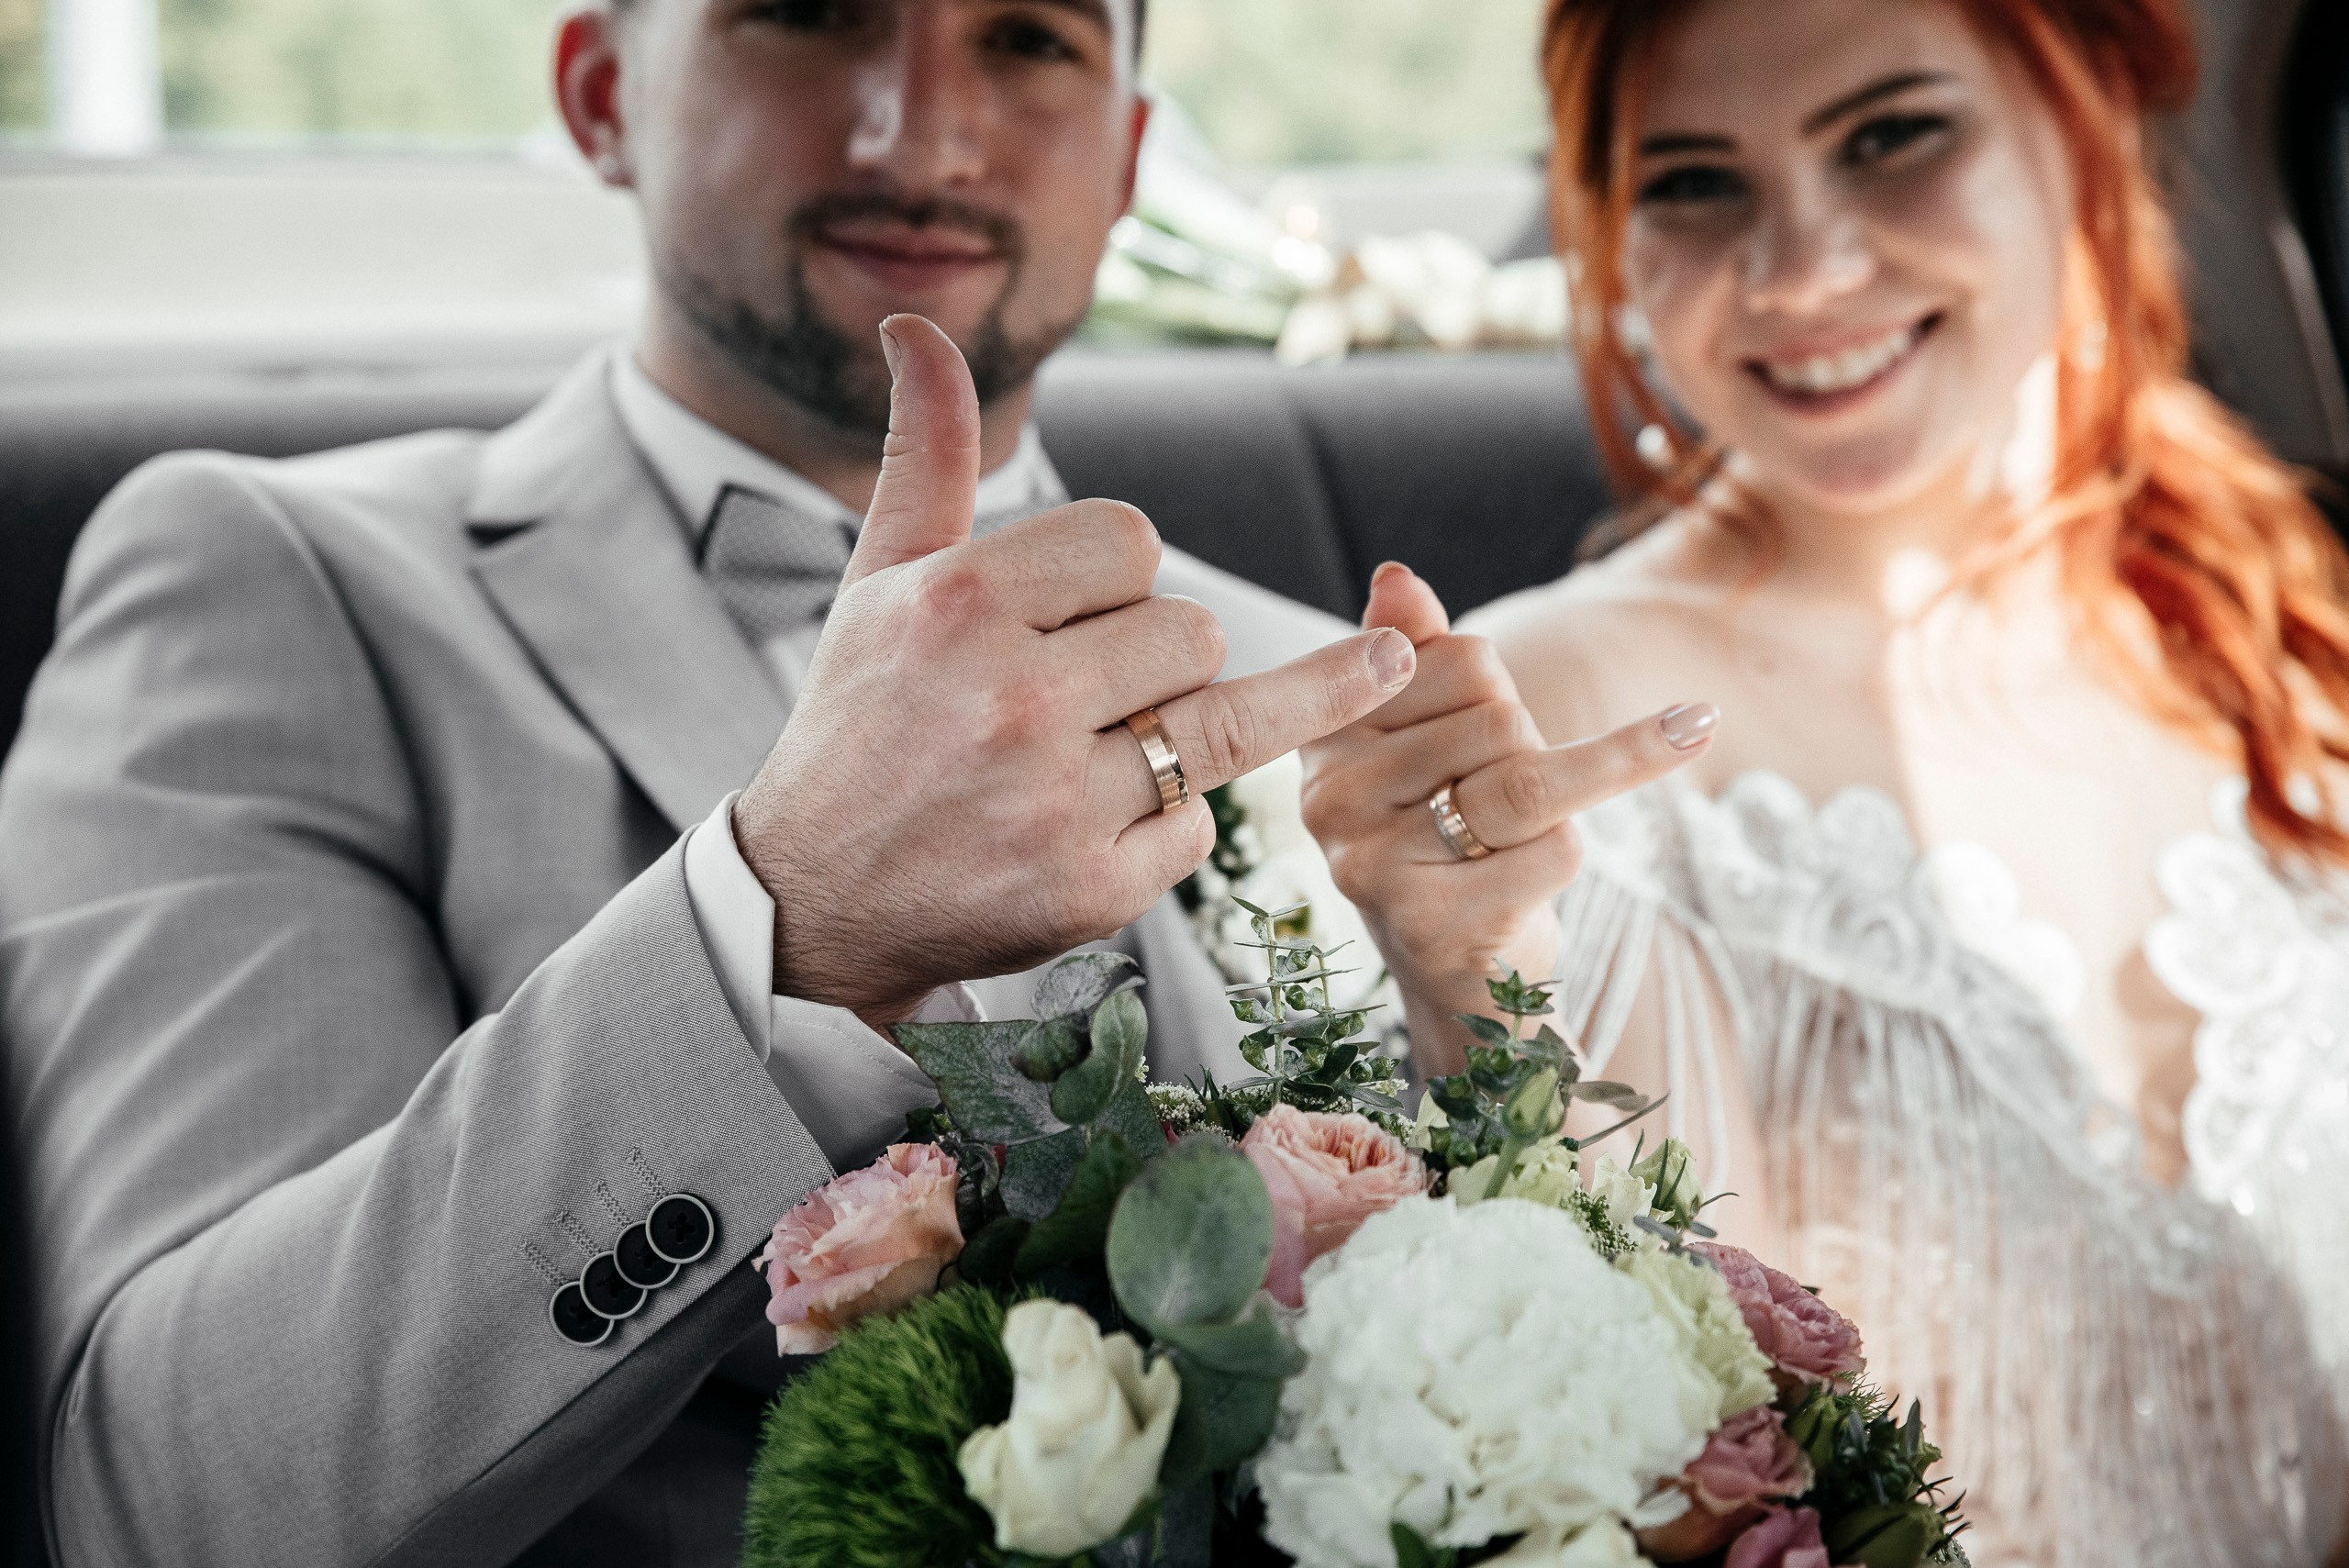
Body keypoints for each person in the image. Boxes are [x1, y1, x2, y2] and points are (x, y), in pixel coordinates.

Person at [0, 0, 1544, 1562]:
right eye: (808, 16)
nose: (923, 135)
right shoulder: (272, 582)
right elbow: (171, 1494)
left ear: (1131, 151)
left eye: (1027, 39)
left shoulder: (1328, 691)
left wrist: (1481, 1030)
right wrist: (784, 924)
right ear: (601, 96)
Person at [1303, 0, 2349, 1563]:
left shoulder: (2280, 609)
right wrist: (1472, 984)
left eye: (1892, 138)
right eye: (1697, 184)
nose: (1800, 272)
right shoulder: (1552, 723)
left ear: (2090, 117)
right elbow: (1612, 1372)